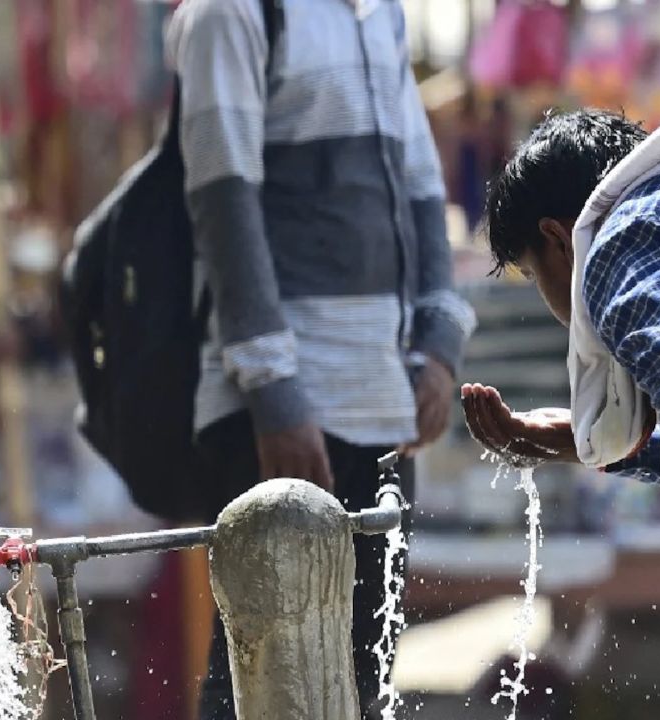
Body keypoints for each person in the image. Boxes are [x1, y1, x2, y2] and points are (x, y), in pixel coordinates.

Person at [164, 1, 477, 718]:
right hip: (279, 413)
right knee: (259, 682)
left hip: (383, 408)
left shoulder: (377, 11)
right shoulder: (230, 13)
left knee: (360, 683)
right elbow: (222, 199)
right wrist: (275, 389)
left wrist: (439, 341)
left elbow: (420, 183)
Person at [464, 107, 660, 505]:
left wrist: (610, 448)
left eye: (533, 276)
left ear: (559, 240)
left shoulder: (619, 242)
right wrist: (603, 447)